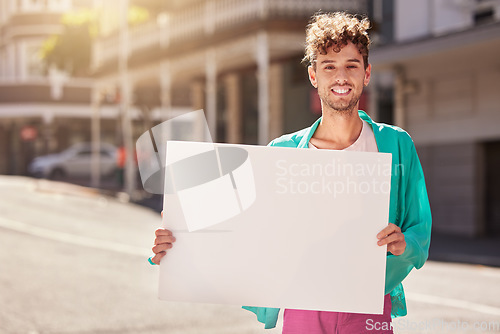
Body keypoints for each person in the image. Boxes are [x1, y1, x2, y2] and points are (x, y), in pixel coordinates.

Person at [150, 12, 432, 334]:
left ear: (366, 73)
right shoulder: (283, 152)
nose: (341, 77)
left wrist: (403, 243)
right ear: (313, 75)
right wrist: (179, 242)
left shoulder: (395, 145)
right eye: (329, 66)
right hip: (303, 305)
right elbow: (241, 220)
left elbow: (419, 227)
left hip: (368, 303)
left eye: (351, 65)